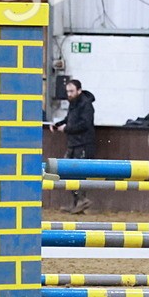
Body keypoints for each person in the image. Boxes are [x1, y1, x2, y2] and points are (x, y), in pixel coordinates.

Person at [54, 79, 96, 214]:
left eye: (71, 91)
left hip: (82, 144)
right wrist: (58, 124)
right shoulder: (75, 104)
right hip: (74, 143)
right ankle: (78, 202)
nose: (69, 94)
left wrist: (66, 128)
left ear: (79, 90)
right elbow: (69, 119)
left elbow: (84, 124)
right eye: (68, 91)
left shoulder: (86, 105)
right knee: (67, 172)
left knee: (77, 174)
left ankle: (81, 200)